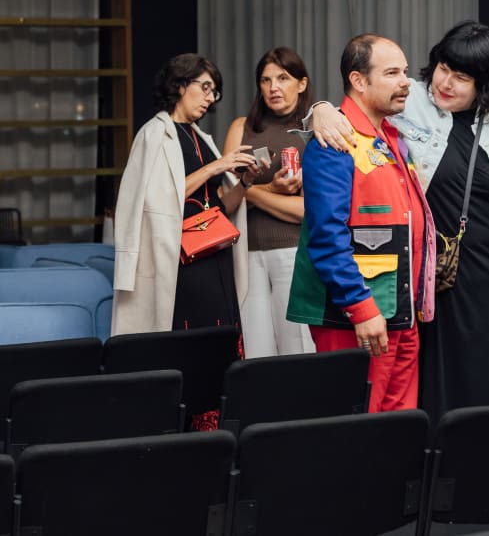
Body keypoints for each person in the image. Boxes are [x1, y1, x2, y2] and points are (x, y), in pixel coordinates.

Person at [308, 21, 489, 423]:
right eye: (443, 68)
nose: (446, 83)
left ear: (485, 84)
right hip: (440, 279)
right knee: (431, 393)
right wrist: (319, 110)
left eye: (462, 77)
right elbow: (356, 109)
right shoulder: (409, 100)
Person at [285, 34, 435, 413]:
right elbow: (327, 237)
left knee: (399, 422)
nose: (405, 82)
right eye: (392, 73)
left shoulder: (391, 135)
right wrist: (361, 307)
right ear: (358, 80)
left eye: (405, 72)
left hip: (399, 309)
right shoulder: (334, 140)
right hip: (358, 313)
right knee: (354, 423)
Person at [112, 53, 258, 338]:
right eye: (205, 87)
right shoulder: (153, 134)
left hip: (215, 253)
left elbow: (219, 207)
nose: (210, 98)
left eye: (214, 92)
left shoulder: (201, 137)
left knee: (221, 339)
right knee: (189, 340)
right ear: (179, 85)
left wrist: (245, 183)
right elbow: (157, 201)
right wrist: (216, 166)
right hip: (180, 259)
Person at [222, 47, 316, 358]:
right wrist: (273, 190)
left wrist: (248, 190)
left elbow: (308, 212)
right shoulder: (241, 128)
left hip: (294, 252)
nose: (273, 87)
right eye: (265, 80)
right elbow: (224, 201)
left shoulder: (312, 131)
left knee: (298, 349)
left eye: (283, 78)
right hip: (245, 253)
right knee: (255, 351)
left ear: (301, 83)